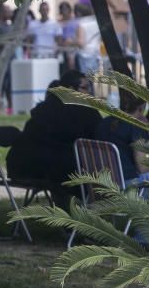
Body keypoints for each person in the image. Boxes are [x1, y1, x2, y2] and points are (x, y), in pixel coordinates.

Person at [7, 70, 101, 208]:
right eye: (85, 88)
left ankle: (68, 220)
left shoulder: (43, 110)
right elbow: (98, 140)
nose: (89, 93)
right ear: (71, 90)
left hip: (23, 168)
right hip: (55, 172)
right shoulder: (86, 114)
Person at [96, 92, 149, 186]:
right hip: (128, 184)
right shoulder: (135, 126)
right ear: (141, 107)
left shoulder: (103, 123)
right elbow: (143, 168)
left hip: (102, 184)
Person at [57, 1, 78, 72]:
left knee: (71, 62)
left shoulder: (75, 21)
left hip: (72, 44)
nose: (64, 11)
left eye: (66, 8)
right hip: (61, 45)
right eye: (62, 9)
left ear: (69, 9)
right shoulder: (58, 22)